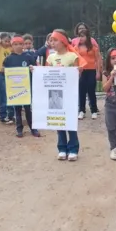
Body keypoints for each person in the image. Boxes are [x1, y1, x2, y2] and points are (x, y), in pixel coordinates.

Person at [47, 29, 83, 160]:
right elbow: (46, 74)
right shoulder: (50, 58)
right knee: (59, 121)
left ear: (62, 41)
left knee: (70, 121)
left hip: (69, 94)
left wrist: (78, 72)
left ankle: (73, 148)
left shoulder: (73, 57)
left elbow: (77, 77)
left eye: (55, 40)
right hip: (55, 94)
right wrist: (36, 71)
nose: (52, 42)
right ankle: (62, 148)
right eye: (51, 40)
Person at [4, 35, 40, 138]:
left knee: (28, 109)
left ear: (23, 45)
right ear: (12, 46)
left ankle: (33, 129)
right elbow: (5, 72)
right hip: (15, 89)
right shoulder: (8, 59)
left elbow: (35, 68)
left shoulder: (28, 57)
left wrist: (32, 69)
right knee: (17, 109)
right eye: (15, 44)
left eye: (20, 44)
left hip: (26, 88)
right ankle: (19, 129)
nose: (18, 46)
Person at [73, 26, 101, 120]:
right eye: (80, 36)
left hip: (92, 70)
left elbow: (98, 60)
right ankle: (81, 111)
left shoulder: (93, 48)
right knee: (81, 91)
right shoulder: (76, 48)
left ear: (87, 37)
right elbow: (74, 59)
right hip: (81, 71)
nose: (81, 38)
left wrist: (98, 72)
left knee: (91, 91)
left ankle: (93, 110)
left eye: (83, 36)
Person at [0, 32, 14, 124]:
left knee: (11, 94)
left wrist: (11, 41)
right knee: (2, 95)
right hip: (1, 74)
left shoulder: (11, 49)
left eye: (9, 41)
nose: (7, 43)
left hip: (10, 74)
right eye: (5, 41)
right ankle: (3, 115)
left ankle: (11, 115)